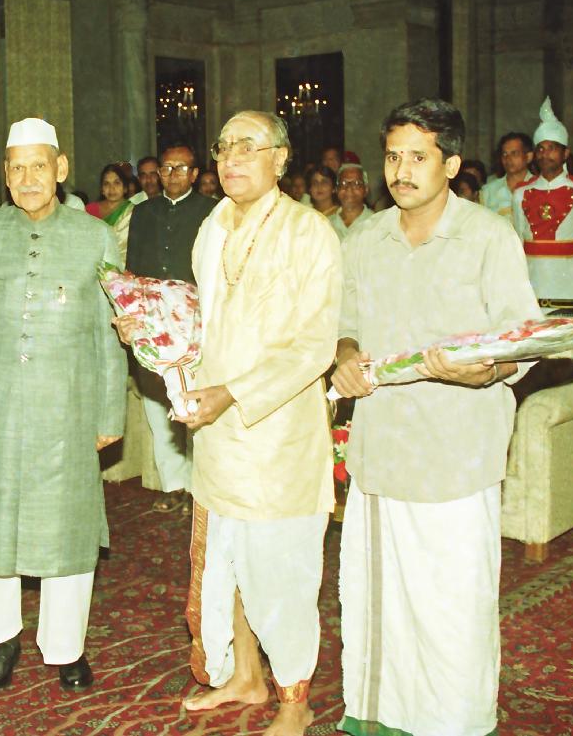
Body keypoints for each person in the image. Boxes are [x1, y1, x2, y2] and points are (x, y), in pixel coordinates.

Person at [332, 98, 541, 736]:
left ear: (450, 164)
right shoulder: (365, 238)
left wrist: (489, 371)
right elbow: (343, 325)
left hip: (457, 450)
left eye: (418, 157)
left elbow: (523, 338)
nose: (401, 170)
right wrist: (343, 356)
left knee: (453, 603)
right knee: (379, 597)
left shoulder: (488, 236)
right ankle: (381, 715)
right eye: (393, 156)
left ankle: (456, 722)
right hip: (382, 446)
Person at [0, 117, 126, 692]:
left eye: (38, 166)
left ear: (60, 168)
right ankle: (0, 640)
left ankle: (66, 646)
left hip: (67, 406)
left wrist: (109, 413)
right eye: (16, 168)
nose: (27, 178)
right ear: (5, 174)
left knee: (67, 527)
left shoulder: (95, 237)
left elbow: (110, 332)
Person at [180, 111, 340, 736]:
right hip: (216, 431)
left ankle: (296, 703)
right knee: (230, 561)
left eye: (249, 146)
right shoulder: (211, 226)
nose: (232, 158)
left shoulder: (309, 231)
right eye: (224, 147)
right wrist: (157, 334)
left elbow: (315, 347)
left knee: (280, 570)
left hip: (277, 434)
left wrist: (235, 393)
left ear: (281, 159)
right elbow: (204, 322)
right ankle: (246, 676)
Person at [119, 143, 217, 514]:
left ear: (196, 174)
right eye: (166, 168)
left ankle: (198, 488)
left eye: (181, 168)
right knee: (158, 406)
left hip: (195, 322)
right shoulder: (143, 212)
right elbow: (132, 268)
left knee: (193, 400)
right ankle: (174, 484)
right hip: (153, 321)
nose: (173, 174)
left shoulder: (212, 211)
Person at [511, 97, 573, 300]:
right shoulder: (520, 194)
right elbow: (517, 243)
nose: (545, 154)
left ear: (565, 153)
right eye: (541, 149)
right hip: (532, 284)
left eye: (552, 148)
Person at [85, 163, 135, 261]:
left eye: (117, 183)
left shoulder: (133, 211)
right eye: (106, 184)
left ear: (125, 188)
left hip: (124, 265)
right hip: (94, 264)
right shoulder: (89, 210)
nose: (112, 188)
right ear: (102, 189)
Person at [481, 132, 534, 218]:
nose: (508, 159)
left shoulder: (540, 188)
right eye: (504, 154)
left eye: (514, 153)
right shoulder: (488, 191)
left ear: (528, 157)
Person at [328, 162, 373, 239]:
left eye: (356, 183)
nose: (349, 188)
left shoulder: (377, 222)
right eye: (343, 183)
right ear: (337, 189)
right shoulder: (327, 224)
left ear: (366, 190)